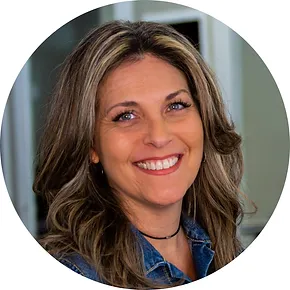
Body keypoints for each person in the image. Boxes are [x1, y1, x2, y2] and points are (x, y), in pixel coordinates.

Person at [33, 20, 245, 289]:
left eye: (176, 105)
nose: (158, 136)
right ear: (90, 145)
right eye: (126, 115)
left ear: (204, 120)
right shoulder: (74, 274)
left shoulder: (225, 250)